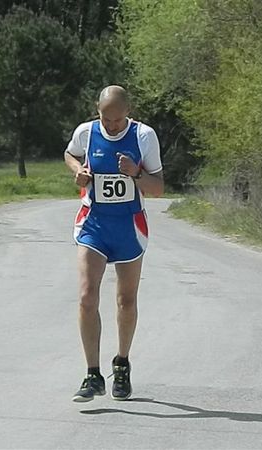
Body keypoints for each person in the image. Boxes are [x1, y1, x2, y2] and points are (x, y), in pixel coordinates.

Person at [64, 85, 164, 402]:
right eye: (107, 119)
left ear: (128, 113)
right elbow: (70, 154)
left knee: (126, 300)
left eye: (118, 121)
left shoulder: (144, 136)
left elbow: (159, 188)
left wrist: (135, 174)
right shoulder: (86, 132)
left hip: (129, 227)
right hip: (94, 223)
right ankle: (92, 374)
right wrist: (78, 171)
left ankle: (121, 364)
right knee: (85, 296)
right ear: (98, 111)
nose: (112, 126)